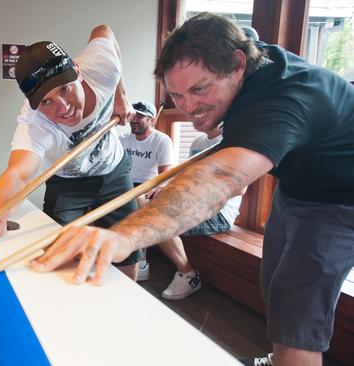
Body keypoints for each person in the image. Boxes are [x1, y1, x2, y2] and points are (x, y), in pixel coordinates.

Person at [30, 13, 354, 366]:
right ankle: (281, 359)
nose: (187, 107)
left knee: (296, 317)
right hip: (296, 185)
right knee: (274, 285)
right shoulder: (235, 48)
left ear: (238, 65)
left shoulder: (283, 102)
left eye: (200, 89)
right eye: (177, 94)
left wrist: (123, 237)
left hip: (339, 198)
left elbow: (220, 180)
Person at [0, 25, 142, 280]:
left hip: (114, 171)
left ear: (78, 72)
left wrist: (121, 95)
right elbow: (18, 174)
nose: (63, 108)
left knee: (126, 249)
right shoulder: (35, 122)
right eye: (46, 101)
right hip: (67, 183)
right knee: (56, 253)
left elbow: (104, 30)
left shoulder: (103, 67)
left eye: (64, 88)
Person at [157, 123, 246, 301]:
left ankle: (188, 275)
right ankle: (140, 261)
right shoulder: (198, 142)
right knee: (144, 203)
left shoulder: (232, 145)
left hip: (219, 213)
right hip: (193, 204)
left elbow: (239, 189)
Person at [119, 100, 174, 281]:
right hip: (125, 183)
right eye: (133, 115)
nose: (134, 119)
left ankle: (140, 259)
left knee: (139, 202)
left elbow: (165, 174)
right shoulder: (123, 139)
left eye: (140, 116)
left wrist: (158, 186)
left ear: (152, 120)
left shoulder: (161, 140)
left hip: (148, 186)